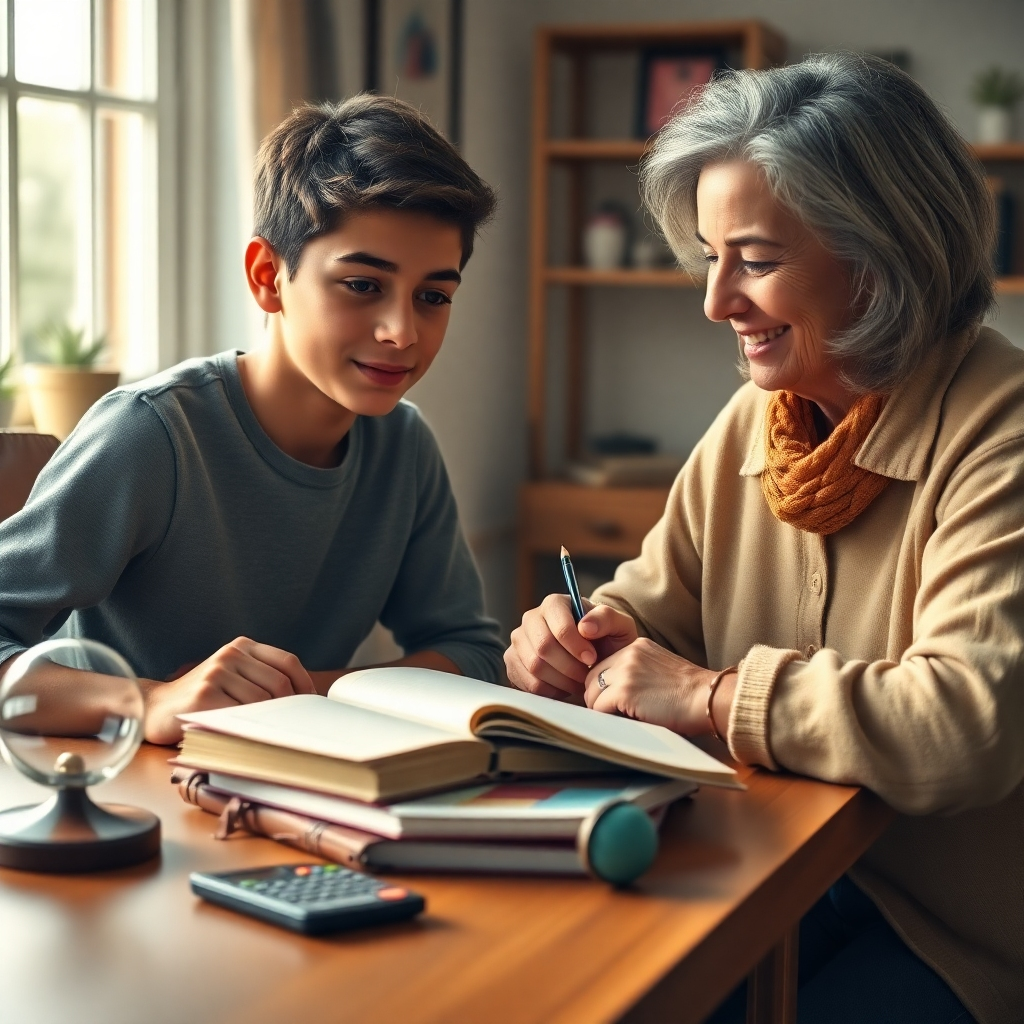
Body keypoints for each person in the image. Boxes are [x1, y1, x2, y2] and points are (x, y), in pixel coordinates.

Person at [505, 53, 1023, 1024]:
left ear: (881, 254)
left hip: (963, 927)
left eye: (756, 258)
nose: (715, 302)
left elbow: (963, 726)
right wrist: (581, 634)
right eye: (710, 256)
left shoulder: (1005, 434)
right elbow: (655, 602)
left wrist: (707, 694)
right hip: (773, 868)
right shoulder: (759, 417)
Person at [0, 95, 505, 745]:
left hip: (297, 790)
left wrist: (308, 692)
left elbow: (470, 651)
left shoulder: (404, 447)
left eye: (433, 297)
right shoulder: (152, 435)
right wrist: (150, 702)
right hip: (121, 798)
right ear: (268, 276)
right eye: (362, 285)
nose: (401, 332)